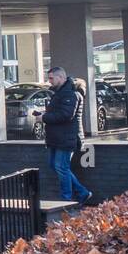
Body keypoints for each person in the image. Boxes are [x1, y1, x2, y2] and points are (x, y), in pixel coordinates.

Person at [42, 66, 92, 206]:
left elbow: (65, 115)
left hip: (67, 137)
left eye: (51, 78)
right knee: (55, 165)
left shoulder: (70, 94)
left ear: (61, 77)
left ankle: (66, 200)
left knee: (61, 167)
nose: (49, 80)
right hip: (58, 137)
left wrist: (44, 117)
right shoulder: (60, 93)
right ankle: (82, 192)